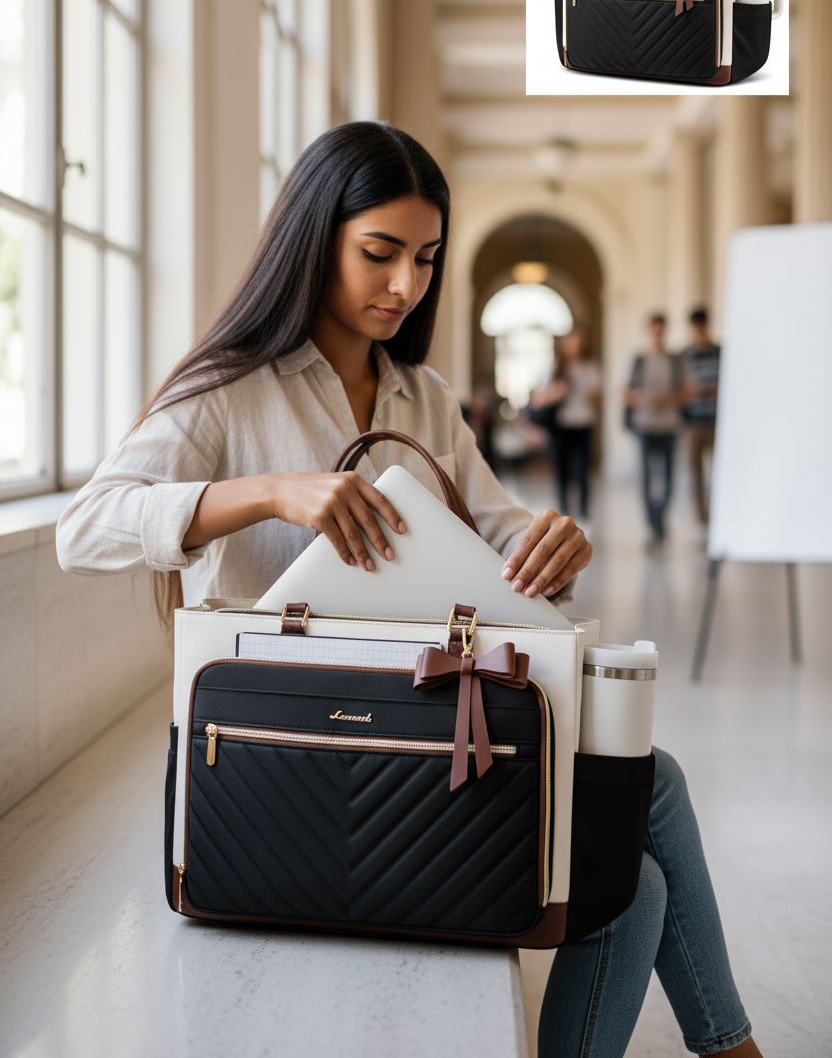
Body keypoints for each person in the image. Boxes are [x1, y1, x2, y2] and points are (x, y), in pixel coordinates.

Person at [56, 122, 762, 1058]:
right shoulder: (228, 392)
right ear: (316, 241)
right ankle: (735, 1050)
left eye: (425, 260)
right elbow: (84, 529)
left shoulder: (422, 397)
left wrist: (549, 541)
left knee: (639, 867)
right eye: (379, 253)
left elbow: (500, 523)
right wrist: (268, 492)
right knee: (648, 804)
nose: (405, 285)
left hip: (413, 741)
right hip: (286, 768)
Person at [624, 313, 685, 547]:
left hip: (669, 425)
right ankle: (652, 523)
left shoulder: (675, 361)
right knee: (646, 477)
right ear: (649, 331)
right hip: (644, 425)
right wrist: (644, 399)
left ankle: (661, 518)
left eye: (661, 330)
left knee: (668, 477)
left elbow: (687, 391)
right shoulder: (638, 360)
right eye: (654, 330)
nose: (657, 335)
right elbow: (624, 392)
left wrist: (668, 399)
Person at [549, 327, 601, 520]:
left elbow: (597, 398)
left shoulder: (590, 368)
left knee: (582, 468)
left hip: (583, 423)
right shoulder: (556, 368)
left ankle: (584, 509)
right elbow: (541, 396)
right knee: (561, 469)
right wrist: (558, 392)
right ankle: (564, 508)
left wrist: (585, 393)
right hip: (561, 424)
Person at [681, 307, 721, 525]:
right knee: (695, 471)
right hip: (694, 422)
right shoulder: (685, 355)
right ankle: (701, 516)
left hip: (716, 421)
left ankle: (718, 512)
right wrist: (691, 391)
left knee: (718, 470)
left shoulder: (720, 353)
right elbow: (681, 387)